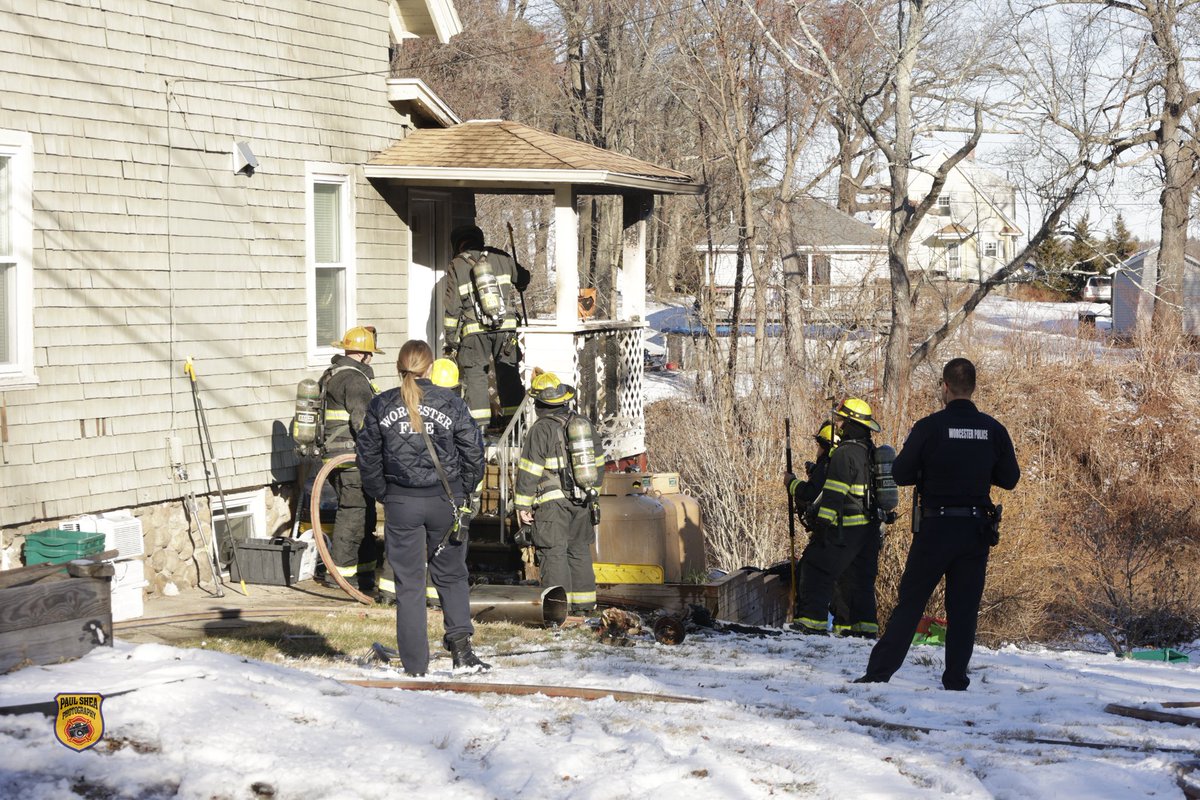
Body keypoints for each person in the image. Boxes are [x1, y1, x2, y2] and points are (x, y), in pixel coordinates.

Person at [855, 358, 1020, 690]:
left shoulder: (929, 427)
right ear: (973, 387)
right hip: (975, 530)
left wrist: (929, 469)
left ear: (945, 387)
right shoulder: (993, 430)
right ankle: (956, 678)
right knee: (964, 609)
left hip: (935, 529)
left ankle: (879, 674)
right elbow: (1009, 478)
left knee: (911, 603)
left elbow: (900, 473)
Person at [357, 339, 489, 676]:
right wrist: (463, 490)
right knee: (452, 575)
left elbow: (367, 458)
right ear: (430, 367)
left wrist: (384, 494)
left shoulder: (381, 404)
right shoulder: (451, 402)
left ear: (398, 367)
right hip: (445, 500)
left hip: (402, 502)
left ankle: (415, 665)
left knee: (409, 584)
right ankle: (462, 653)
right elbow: (474, 452)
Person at [514, 372, 605, 616]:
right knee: (579, 551)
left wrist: (522, 505)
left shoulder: (541, 429)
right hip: (583, 500)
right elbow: (599, 463)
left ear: (538, 403)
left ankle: (558, 611)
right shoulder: (583, 424)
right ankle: (584, 607)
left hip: (552, 504)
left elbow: (529, 471)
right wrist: (592, 493)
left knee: (553, 553)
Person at [791, 399, 883, 636]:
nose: (838, 425)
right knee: (859, 580)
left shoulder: (844, 453)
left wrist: (822, 527)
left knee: (815, 568)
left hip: (846, 530)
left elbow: (833, 494)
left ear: (851, 423)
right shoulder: (871, 452)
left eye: (841, 420)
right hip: (870, 532)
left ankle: (811, 623)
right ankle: (861, 629)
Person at [441, 224, 530, 430]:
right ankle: (515, 427)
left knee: (476, 379)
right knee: (509, 375)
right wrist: (520, 282)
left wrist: (451, 340)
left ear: (457, 244)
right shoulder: (502, 257)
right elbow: (524, 278)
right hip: (506, 330)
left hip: (474, 333)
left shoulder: (457, 264)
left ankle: (478, 430)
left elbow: (452, 307)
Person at [320, 326, 386, 597]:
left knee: (364, 512)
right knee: (354, 513)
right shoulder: (356, 380)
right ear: (364, 354)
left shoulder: (331, 374)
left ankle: (365, 572)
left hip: (335, 457)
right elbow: (363, 423)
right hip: (351, 459)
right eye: (370, 354)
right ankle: (341, 574)